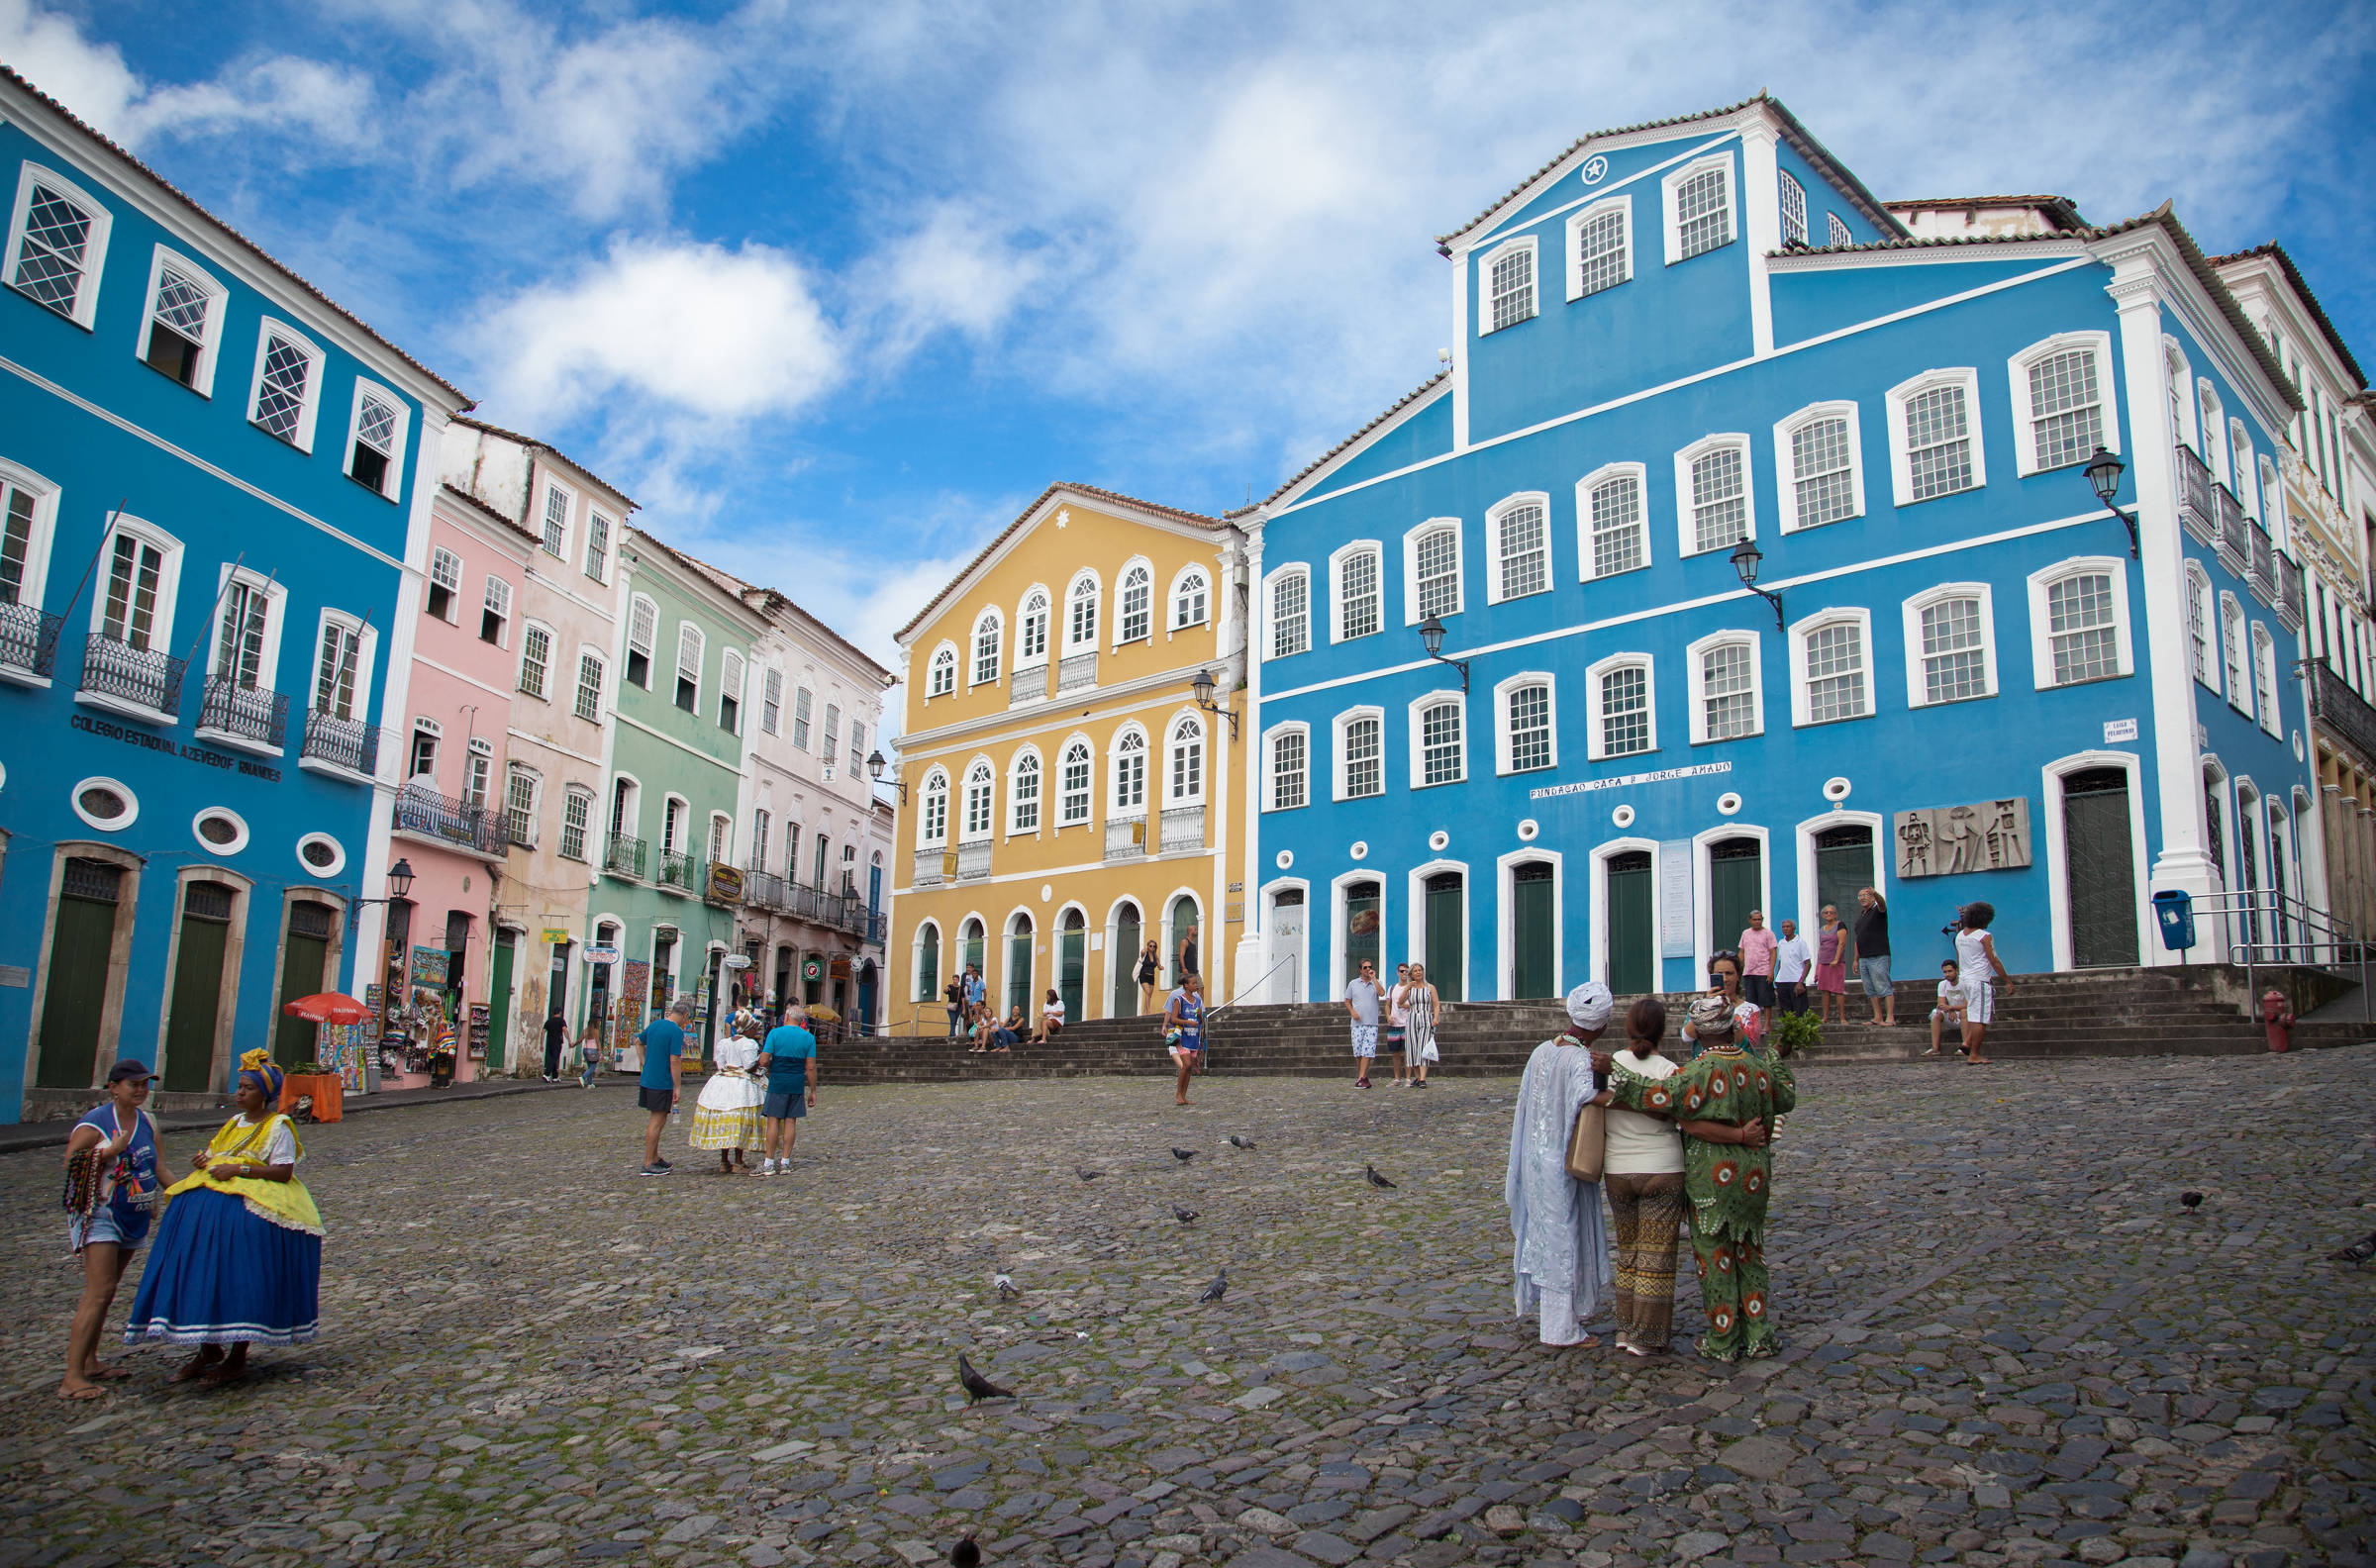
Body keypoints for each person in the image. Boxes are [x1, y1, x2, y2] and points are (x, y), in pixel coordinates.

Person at [1608, 996, 1797, 1364]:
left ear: (1699, 1032)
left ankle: (1723, 1338)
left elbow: (1658, 1097)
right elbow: (1785, 1097)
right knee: (1750, 1252)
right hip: (1754, 1176)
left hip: (1712, 1179)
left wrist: (1616, 1073)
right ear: (1734, 1028)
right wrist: (1773, 1055)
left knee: (1716, 1259)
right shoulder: (1757, 1067)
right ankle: (1758, 1334)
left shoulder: (1699, 1072)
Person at [124, 1050, 324, 1386]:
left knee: (242, 1274)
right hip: (212, 1204)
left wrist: (239, 1168)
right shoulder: (232, 1123)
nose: (240, 1093)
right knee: (203, 1270)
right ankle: (208, 1346)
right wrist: (206, 1160)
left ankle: (237, 1355)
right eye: (240, 1087)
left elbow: (284, 1171)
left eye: (247, 1088)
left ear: (264, 1094)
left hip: (255, 1204)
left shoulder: (278, 1126)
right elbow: (218, 1152)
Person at [1505, 982, 1616, 1348]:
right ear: (1600, 1025)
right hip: (1561, 1161)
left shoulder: (1541, 1051)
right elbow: (1587, 1096)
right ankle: (1560, 1327)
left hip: (1535, 1156)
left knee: (1546, 1234)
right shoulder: (1580, 1060)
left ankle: (1559, 1318)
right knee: (1561, 1238)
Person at [57, 1059, 162, 1400]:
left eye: (144, 1084)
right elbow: (71, 1163)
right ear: (114, 1087)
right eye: (133, 1084)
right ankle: (71, 1378)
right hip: (101, 1215)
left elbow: (157, 1164)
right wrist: (109, 1151)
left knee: (109, 1289)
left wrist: (185, 1191)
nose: (141, 1090)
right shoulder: (97, 1122)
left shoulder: (147, 1121)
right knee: (98, 1290)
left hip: (134, 1212)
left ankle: (90, 1361)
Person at [1593, 1000, 1686, 1356]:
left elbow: (1597, 1100)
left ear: (1628, 1028)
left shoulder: (1610, 1066)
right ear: (1662, 1032)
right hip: (1662, 1167)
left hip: (1618, 1169)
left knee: (1628, 1251)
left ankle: (1624, 1328)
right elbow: (1671, 1114)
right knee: (1656, 1256)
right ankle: (1645, 1336)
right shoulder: (1669, 1070)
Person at [690, 1012, 763, 1173]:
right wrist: (760, 1061)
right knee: (740, 1120)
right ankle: (738, 1161)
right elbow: (749, 1066)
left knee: (724, 1120)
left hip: (722, 1082)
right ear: (748, 1029)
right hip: (740, 1085)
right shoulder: (749, 1044)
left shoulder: (724, 1043)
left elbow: (720, 1064)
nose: (755, 1032)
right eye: (754, 1029)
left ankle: (724, 1161)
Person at [758, 1004, 817, 1175]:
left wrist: (769, 1062)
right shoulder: (808, 1038)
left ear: (786, 1017)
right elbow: (811, 1067)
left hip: (777, 1082)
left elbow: (763, 1060)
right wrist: (813, 1090)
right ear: (801, 1021)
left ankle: (769, 1162)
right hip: (796, 1082)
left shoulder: (775, 1034)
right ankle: (785, 1161)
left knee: (773, 1120)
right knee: (791, 1121)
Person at [638, 1000, 690, 1176]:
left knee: (660, 1120)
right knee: (656, 1121)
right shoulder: (676, 1031)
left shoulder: (655, 1025)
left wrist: (644, 1062)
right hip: (662, 1080)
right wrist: (677, 1086)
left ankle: (654, 1157)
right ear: (684, 1015)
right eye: (687, 1019)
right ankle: (647, 1163)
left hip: (649, 1078)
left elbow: (638, 1042)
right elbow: (674, 1059)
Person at [1955, 902, 2005, 1065]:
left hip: (1965, 979)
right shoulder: (1984, 936)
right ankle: (1974, 1054)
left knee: (1974, 1013)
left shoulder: (1960, 936)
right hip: (1979, 980)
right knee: (1981, 1019)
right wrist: (2007, 980)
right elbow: (1994, 961)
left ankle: (1967, 1043)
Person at [1854, 888, 1895, 1026]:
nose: (1863, 897)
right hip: (1864, 957)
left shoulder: (1878, 911)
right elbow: (1858, 939)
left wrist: (1876, 894)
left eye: (1866, 895)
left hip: (1878, 955)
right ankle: (1877, 1016)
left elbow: (1882, 904)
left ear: (1872, 897)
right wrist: (1855, 959)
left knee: (1883, 986)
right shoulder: (1861, 917)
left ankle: (1890, 1017)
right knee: (1870, 989)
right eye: (1860, 895)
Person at [1164, 972, 1205, 1106]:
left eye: (1196, 983)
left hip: (1193, 1037)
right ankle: (1178, 1094)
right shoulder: (1179, 999)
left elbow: (1201, 1021)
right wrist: (1187, 1022)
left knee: (1189, 1068)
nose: (1196, 985)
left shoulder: (1198, 1000)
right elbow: (1173, 1018)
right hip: (1182, 1037)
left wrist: (1200, 1016)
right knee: (1186, 1065)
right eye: (1193, 983)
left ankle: (1183, 1096)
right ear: (1186, 985)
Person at [1343, 959, 1383, 1088]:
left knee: (1368, 1051)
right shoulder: (1353, 984)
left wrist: (1374, 979)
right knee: (1359, 1052)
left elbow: (1381, 993)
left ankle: (1361, 1078)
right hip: (1357, 1023)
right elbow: (1347, 1001)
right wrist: (1352, 1012)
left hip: (1371, 1022)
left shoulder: (1376, 983)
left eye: (1370, 967)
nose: (1368, 969)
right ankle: (1363, 1077)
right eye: (1365, 967)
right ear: (1360, 969)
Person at [1405, 962, 1440, 1089]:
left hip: (1425, 1018)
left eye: (1420, 970)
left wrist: (1435, 1018)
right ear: (1411, 974)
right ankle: (1418, 1077)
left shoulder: (1430, 987)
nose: (1418, 972)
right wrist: (1407, 987)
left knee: (1423, 1047)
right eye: (1415, 971)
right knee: (1413, 1048)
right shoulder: (1410, 988)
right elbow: (1400, 1002)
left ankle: (1423, 1078)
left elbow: (1436, 1004)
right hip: (1412, 1018)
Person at [1814, 905, 1848, 1027]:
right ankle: (1825, 1016)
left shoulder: (1840, 925)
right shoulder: (1822, 929)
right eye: (1826, 913)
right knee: (1825, 990)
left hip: (1836, 963)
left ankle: (1842, 1017)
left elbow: (1841, 943)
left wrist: (1836, 959)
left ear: (1836, 914)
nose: (1829, 914)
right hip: (1823, 962)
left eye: (1831, 912)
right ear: (1823, 915)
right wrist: (1817, 969)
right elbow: (1821, 948)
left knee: (1838, 990)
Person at [1924, 959, 1967, 1057]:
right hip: (1952, 1015)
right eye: (1945, 972)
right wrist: (1950, 1010)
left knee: (1965, 1011)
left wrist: (1951, 1007)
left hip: (1966, 1017)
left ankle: (1965, 1047)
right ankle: (1935, 1048)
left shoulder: (1965, 983)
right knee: (1936, 1012)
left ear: (1957, 970)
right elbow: (1941, 1004)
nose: (1947, 974)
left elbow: (1968, 1004)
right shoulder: (1942, 984)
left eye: (1950, 971)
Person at [1737, 912, 1778, 1011]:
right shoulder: (1745, 933)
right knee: (1751, 1001)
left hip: (1763, 971)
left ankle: (1767, 1024)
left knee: (1766, 999)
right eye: (1755, 919)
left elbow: (1773, 953)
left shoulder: (1768, 934)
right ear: (1750, 920)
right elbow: (1742, 952)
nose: (1757, 922)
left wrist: (1771, 971)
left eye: (1759, 919)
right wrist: (1739, 969)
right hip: (1749, 972)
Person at [1773, 919, 1812, 1017]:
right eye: (1783, 927)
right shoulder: (1781, 943)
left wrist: (1800, 982)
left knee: (1799, 1011)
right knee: (1785, 1012)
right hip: (1782, 981)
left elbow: (1807, 963)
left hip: (1796, 981)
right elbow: (1780, 962)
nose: (1785, 929)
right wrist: (1777, 979)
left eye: (1788, 926)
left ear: (1793, 928)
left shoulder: (1800, 942)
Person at [1385, 962, 1412, 1086]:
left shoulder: (1411, 988)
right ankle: (1397, 1078)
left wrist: (1406, 1005)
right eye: (1402, 971)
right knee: (1395, 1053)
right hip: (1394, 1024)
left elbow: (1415, 1004)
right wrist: (1388, 1016)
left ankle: (1408, 1078)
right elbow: (1388, 1005)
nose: (1404, 973)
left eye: (1406, 971)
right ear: (1397, 973)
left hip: (1407, 1023)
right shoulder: (1392, 988)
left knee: (1407, 1052)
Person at [541, 1004, 568, 1081]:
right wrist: (569, 1040)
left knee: (554, 1058)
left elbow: (543, 1032)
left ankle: (555, 1077)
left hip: (550, 1043)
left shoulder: (549, 1021)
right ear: (559, 1012)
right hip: (557, 1042)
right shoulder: (561, 1021)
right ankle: (546, 1074)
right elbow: (565, 1030)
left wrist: (541, 1043)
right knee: (554, 1058)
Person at [1137, 940, 1160, 1016]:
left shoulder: (1155, 956)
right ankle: (1148, 1011)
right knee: (1148, 992)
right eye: (1150, 946)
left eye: (1154, 946)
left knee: (1149, 994)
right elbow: (1142, 952)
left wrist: (1161, 967)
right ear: (1147, 946)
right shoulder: (1144, 954)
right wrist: (1146, 948)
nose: (1152, 947)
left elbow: (1159, 965)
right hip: (1144, 975)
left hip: (1151, 976)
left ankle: (1144, 1012)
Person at [577, 1020, 604, 1088]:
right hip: (593, 1050)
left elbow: (580, 1040)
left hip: (585, 1050)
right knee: (593, 1067)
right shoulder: (596, 1031)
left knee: (590, 1067)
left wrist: (574, 1044)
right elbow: (597, 1042)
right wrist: (600, 1051)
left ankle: (590, 1083)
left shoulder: (585, 1030)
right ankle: (583, 1077)